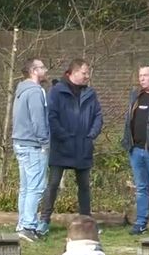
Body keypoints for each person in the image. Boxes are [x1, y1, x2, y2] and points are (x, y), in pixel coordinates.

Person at [38, 59, 104, 234]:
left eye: (87, 73)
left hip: (83, 145)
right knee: (53, 184)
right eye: (84, 73)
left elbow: (98, 115)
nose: (87, 76)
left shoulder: (90, 93)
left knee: (84, 186)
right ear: (73, 73)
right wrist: (64, 137)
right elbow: (51, 117)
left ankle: (87, 222)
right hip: (62, 146)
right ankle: (44, 220)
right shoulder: (57, 91)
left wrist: (91, 135)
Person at [13, 58, 50, 242]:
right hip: (32, 144)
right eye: (42, 67)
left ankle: (22, 224)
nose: (46, 70)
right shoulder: (35, 91)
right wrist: (45, 143)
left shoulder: (21, 90)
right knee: (36, 187)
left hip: (20, 143)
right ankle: (28, 225)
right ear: (34, 71)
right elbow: (38, 120)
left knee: (26, 187)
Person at [121, 64, 149, 235]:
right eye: (140, 75)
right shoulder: (136, 96)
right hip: (136, 149)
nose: (142, 78)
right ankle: (141, 222)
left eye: (145, 75)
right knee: (141, 187)